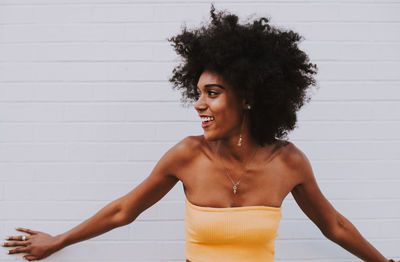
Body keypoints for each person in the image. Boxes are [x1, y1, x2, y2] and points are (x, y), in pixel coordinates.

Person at [2, 5, 398, 262]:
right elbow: (125, 210)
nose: (198, 104)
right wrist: (59, 240)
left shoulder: (288, 161)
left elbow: (336, 227)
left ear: (246, 98)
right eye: (197, 94)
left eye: (213, 93)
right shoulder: (187, 155)